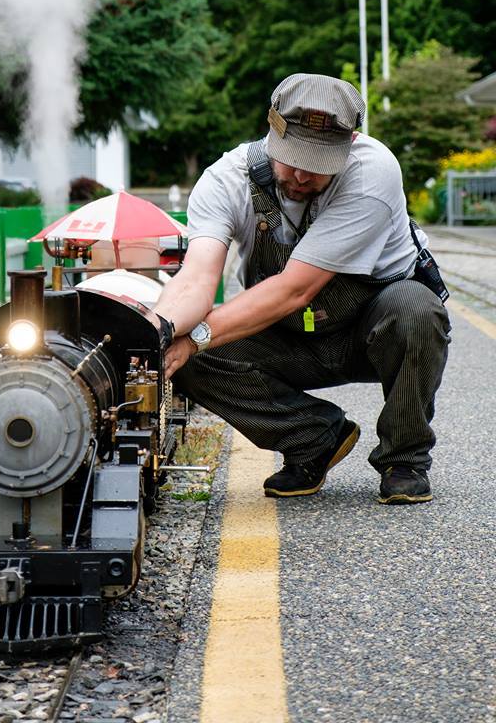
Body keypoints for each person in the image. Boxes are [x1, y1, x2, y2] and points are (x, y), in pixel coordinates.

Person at [154, 73, 451, 505]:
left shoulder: (372, 173)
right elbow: (197, 278)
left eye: (319, 163)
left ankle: (404, 459)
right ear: (272, 130)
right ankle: (313, 438)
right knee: (190, 359)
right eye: (292, 157)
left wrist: (196, 336)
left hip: (370, 332)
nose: (301, 174)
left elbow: (296, 289)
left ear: (350, 143)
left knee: (417, 309)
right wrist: (160, 332)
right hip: (288, 332)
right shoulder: (226, 180)